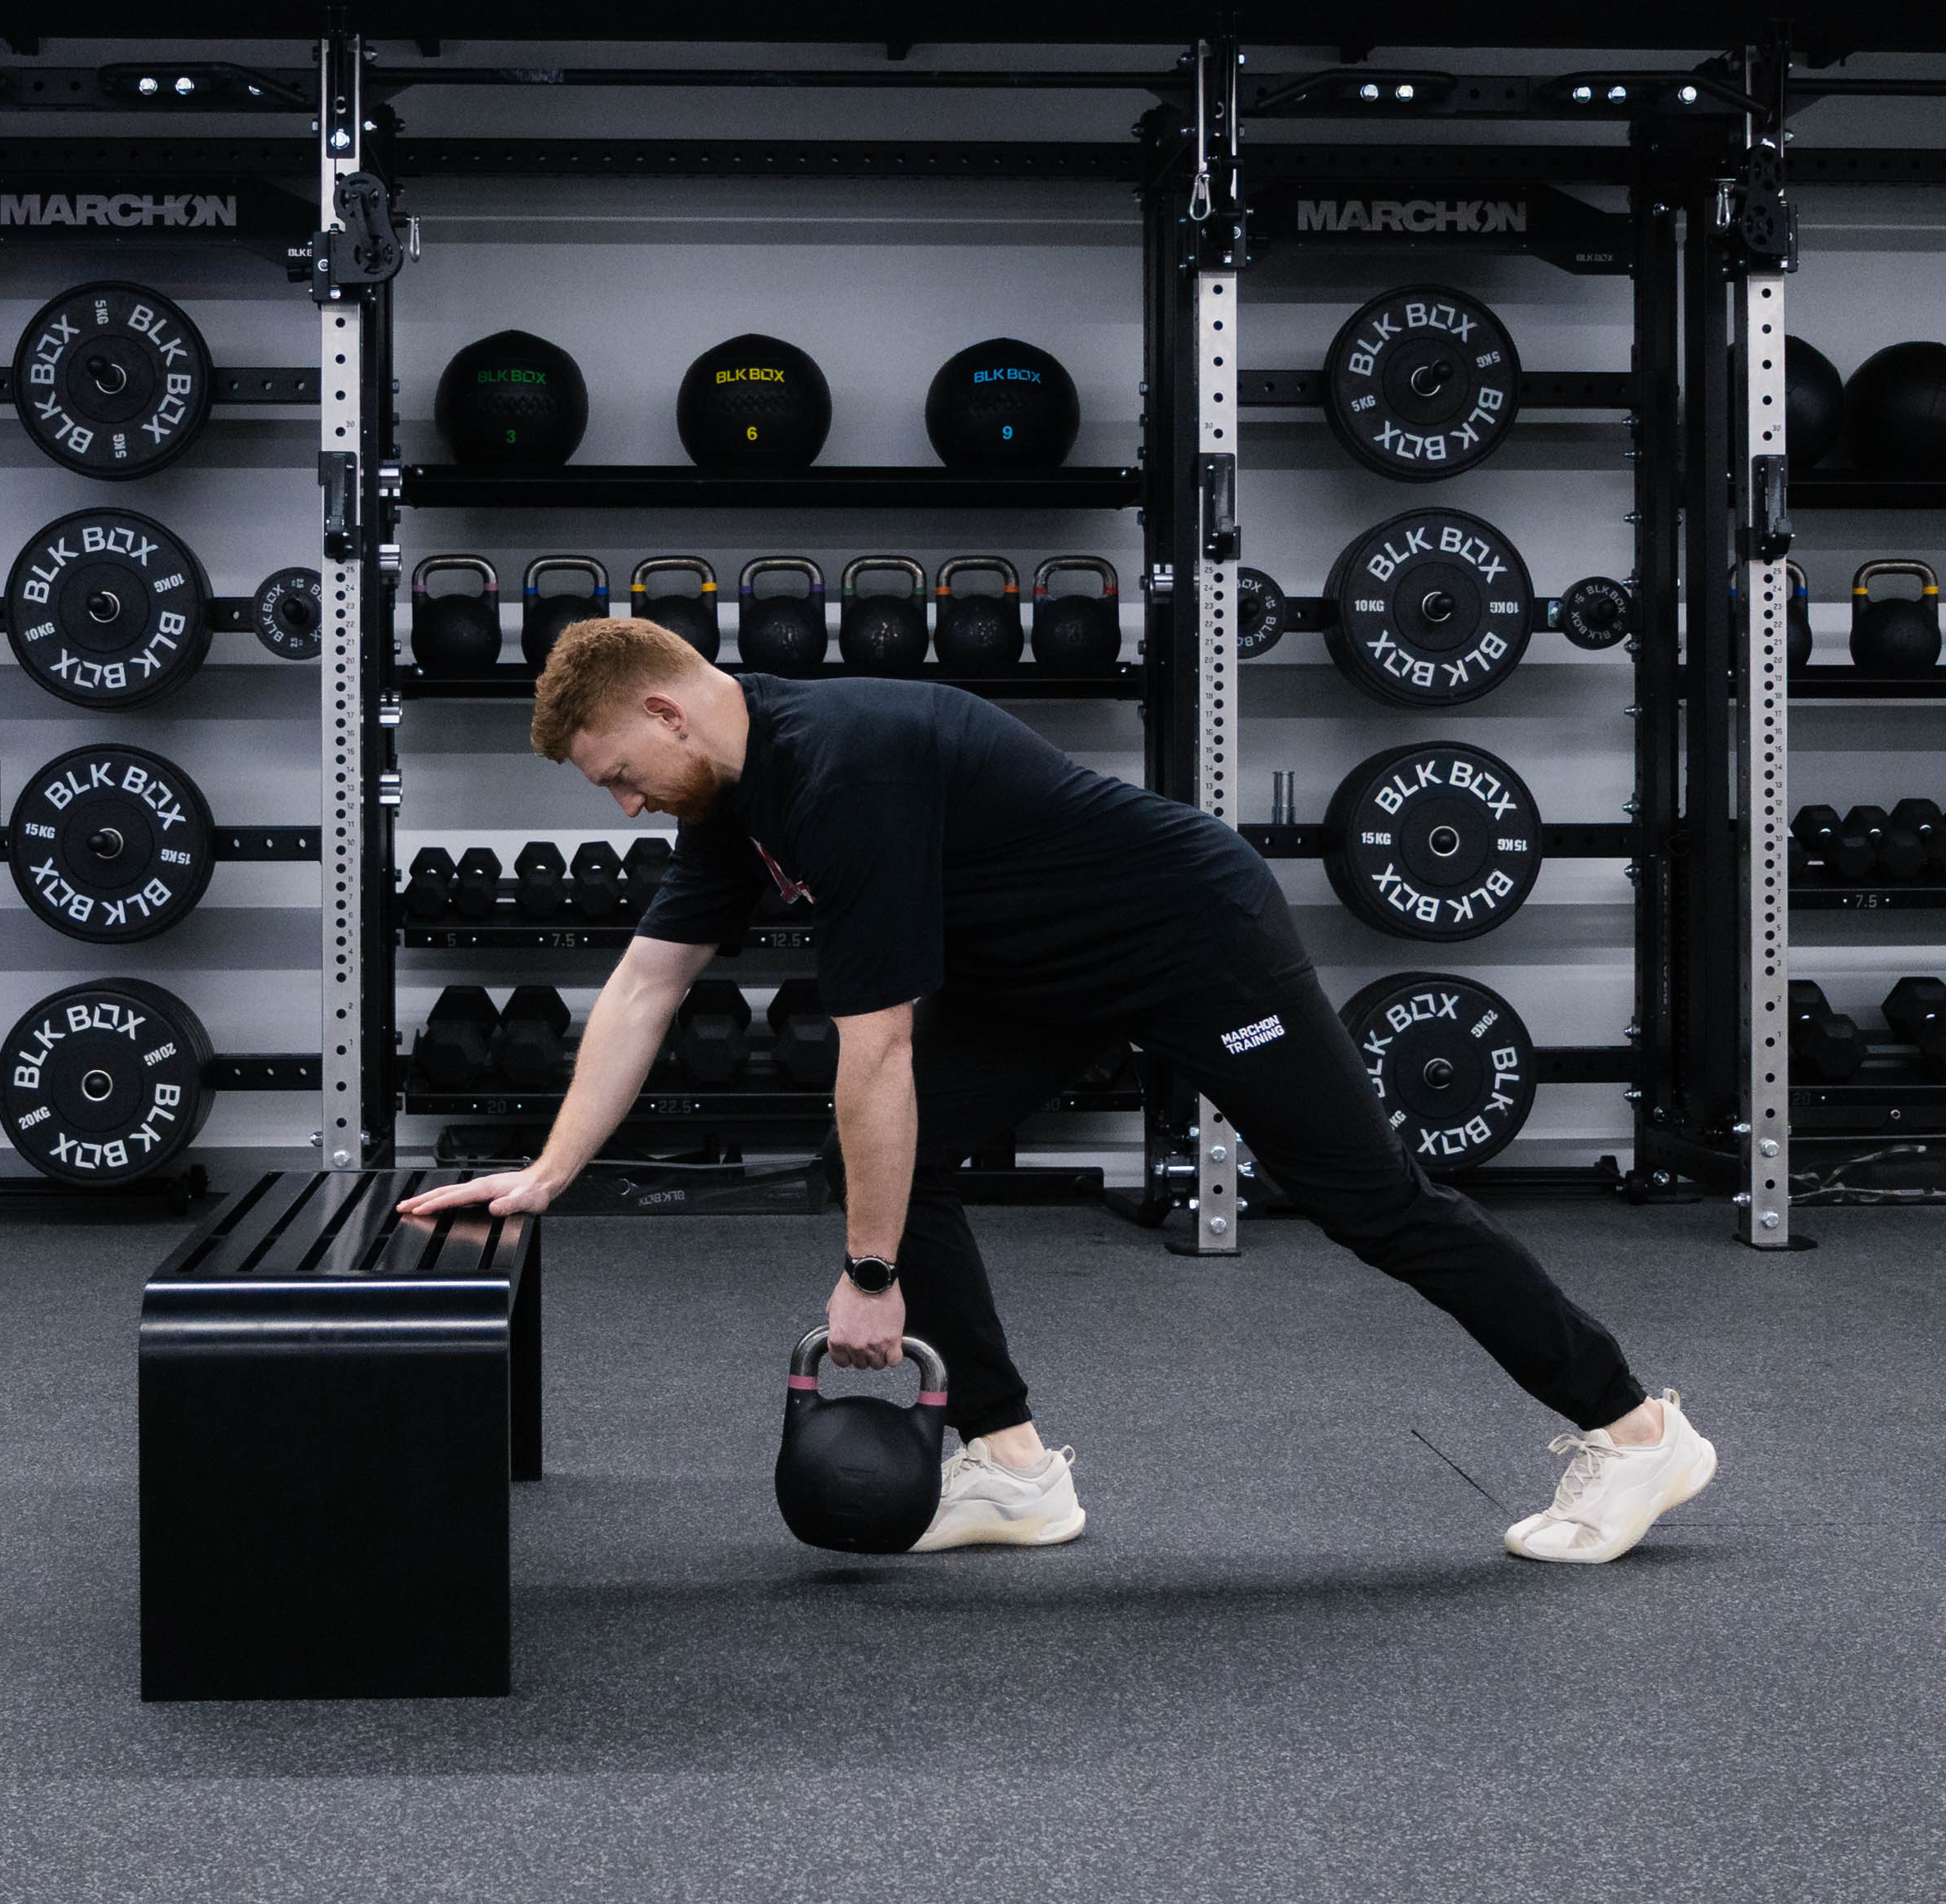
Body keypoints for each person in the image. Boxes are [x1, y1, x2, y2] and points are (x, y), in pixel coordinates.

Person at [398, 617, 1716, 1561]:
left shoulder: (846, 767)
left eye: (621, 778)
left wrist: (870, 1279)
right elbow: (644, 986)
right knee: (888, 1162)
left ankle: (1634, 1427)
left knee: (1371, 1203)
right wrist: (548, 1172)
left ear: (668, 712)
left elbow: (879, 1050)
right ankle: (1013, 1468)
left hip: (1190, 940)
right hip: (1042, 976)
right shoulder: (733, 805)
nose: (626, 808)